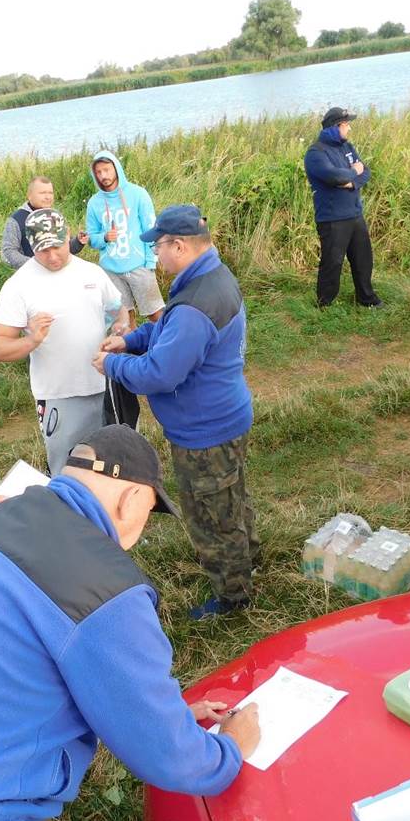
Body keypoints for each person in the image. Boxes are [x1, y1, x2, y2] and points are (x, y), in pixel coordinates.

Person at [0, 424, 260, 821]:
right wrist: (231, 748)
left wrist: (164, 714)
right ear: (133, 498)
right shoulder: (104, 587)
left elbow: (18, 657)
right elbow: (170, 758)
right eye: (150, 510)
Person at [95, 205, 259, 620]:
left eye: (159, 247)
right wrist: (132, 340)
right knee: (231, 498)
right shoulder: (210, 277)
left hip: (204, 432)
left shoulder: (195, 302)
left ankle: (233, 599)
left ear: (180, 245)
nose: (155, 256)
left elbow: (160, 373)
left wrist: (112, 365)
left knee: (210, 516)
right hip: (228, 415)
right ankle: (248, 556)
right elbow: (168, 331)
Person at [0, 208, 128, 474]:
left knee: (112, 465)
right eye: (43, 251)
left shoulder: (92, 273)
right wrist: (32, 340)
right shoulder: (19, 286)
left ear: (69, 237)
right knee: (69, 470)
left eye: (57, 247)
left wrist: (120, 329)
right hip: (59, 396)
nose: (52, 257)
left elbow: (117, 311)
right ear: (31, 247)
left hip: (106, 387)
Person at [86, 150, 163, 430]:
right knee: (124, 322)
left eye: (107, 170)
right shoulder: (94, 204)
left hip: (139, 265)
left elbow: (150, 228)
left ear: (117, 168)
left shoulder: (138, 194)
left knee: (156, 314)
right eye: (99, 172)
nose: (104, 176)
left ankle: (165, 353)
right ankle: (130, 375)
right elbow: (92, 237)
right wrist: (102, 238)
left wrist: (151, 261)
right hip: (111, 269)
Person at [303, 106, 383, 309]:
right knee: (333, 262)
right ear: (335, 126)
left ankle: (366, 299)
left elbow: (366, 171)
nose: (349, 129)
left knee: (363, 259)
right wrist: (351, 172)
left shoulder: (346, 147)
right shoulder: (315, 153)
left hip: (355, 213)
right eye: (346, 125)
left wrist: (351, 181)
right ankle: (325, 304)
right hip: (332, 218)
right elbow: (335, 176)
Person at [1, 175, 86, 269]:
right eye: (42, 193)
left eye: (50, 193)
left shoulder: (55, 216)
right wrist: (37, 265)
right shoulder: (16, 220)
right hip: (31, 277)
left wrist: (78, 242)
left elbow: (65, 248)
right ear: (29, 195)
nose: (48, 197)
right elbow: (8, 252)